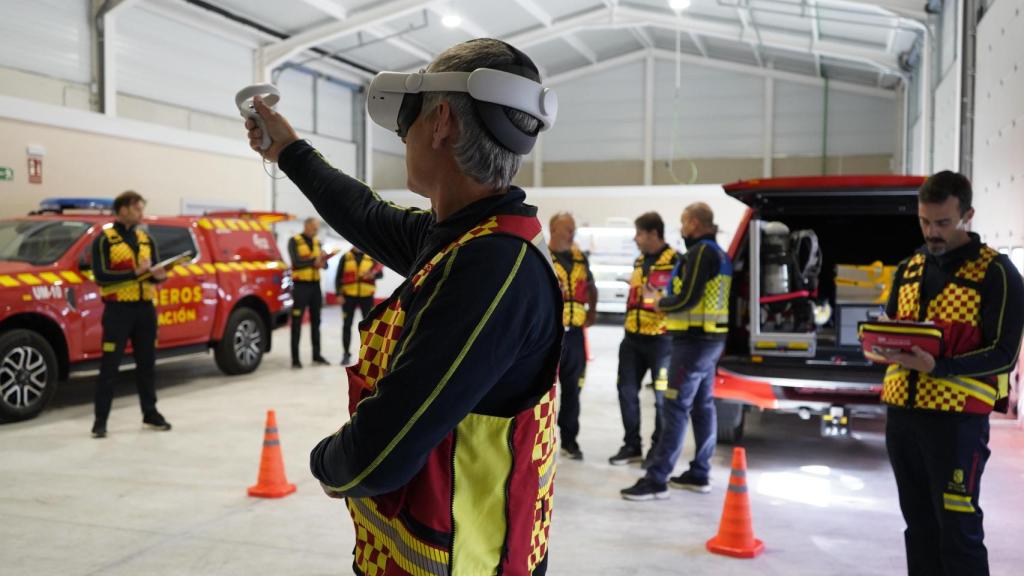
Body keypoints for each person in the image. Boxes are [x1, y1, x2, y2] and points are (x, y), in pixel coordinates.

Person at [245, 38, 563, 575]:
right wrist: (288, 150)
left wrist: (324, 460)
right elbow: (365, 214)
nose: (404, 135)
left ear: (441, 121)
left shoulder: (493, 267)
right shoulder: (468, 240)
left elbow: (377, 456)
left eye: (409, 119)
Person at [877, 171, 1023, 575]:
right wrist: (879, 346)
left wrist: (940, 367)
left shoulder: (997, 274)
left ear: (967, 215)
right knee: (918, 526)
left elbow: (1005, 354)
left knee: (957, 530)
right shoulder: (908, 268)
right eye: (925, 221)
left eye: (943, 222)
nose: (932, 232)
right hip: (902, 417)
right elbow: (891, 324)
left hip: (956, 424)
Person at [621, 202, 731, 500]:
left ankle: (657, 478)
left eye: (684, 222)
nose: (681, 228)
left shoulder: (700, 253)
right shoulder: (720, 254)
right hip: (709, 341)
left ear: (695, 223)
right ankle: (699, 472)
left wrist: (660, 302)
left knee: (675, 407)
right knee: (702, 405)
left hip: (692, 343)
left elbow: (687, 298)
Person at [90, 191, 171, 438]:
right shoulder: (104, 239)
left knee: (147, 365)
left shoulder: (145, 238)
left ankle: (150, 413)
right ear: (123, 209)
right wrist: (135, 273)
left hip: (145, 309)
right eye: (137, 208)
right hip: (118, 311)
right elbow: (101, 277)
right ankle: (100, 421)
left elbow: (153, 272)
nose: (141, 213)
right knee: (110, 367)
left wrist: (160, 275)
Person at [608, 212, 679, 466]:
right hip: (632, 339)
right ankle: (631, 445)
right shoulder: (639, 262)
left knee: (661, 399)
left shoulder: (675, 261)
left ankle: (657, 449)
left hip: (662, 341)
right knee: (626, 391)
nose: (635, 238)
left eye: (639, 233)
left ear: (652, 234)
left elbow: (678, 299)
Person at [548, 212, 598, 460]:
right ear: (554, 229)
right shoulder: (543, 257)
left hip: (575, 335)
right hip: (549, 336)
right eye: (569, 229)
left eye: (574, 229)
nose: (573, 233)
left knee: (573, 389)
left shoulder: (580, 259)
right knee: (542, 391)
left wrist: (593, 311)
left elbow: (591, 286)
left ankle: (569, 441)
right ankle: (539, 442)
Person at [288, 217, 334, 368]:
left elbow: (325, 265)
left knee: (316, 322)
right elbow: (296, 262)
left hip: (315, 287)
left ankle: (317, 355)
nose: (316, 230)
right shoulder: (294, 241)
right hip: (300, 286)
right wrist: (314, 261)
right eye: (314, 227)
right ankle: (295, 359)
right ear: (306, 226)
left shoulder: (318, 243)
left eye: (317, 228)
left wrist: (324, 261)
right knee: (296, 323)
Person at [336, 246, 383, 366]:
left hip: (366, 296)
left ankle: (367, 355)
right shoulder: (345, 257)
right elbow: (338, 276)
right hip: (348, 296)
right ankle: (346, 354)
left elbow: (380, 274)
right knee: (347, 325)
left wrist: (373, 275)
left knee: (368, 326)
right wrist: (338, 294)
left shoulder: (371, 257)